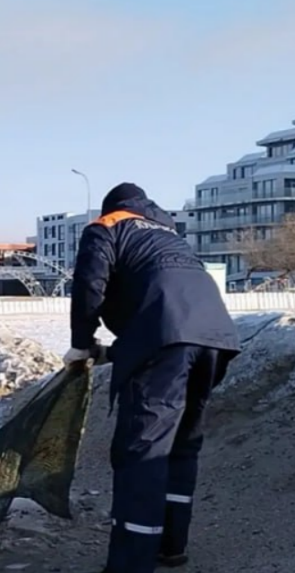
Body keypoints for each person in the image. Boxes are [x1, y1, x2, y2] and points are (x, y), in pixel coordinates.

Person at [63, 183, 241, 573]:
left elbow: (90, 284)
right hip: (216, 338)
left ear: (112, 207)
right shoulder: (169, 235)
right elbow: (162, 297)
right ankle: (171, 546)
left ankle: (131, 562)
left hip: (166, 338)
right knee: (181, 444)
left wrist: (81, 343)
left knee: (142, 449)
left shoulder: (108, 226)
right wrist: (114, 352)